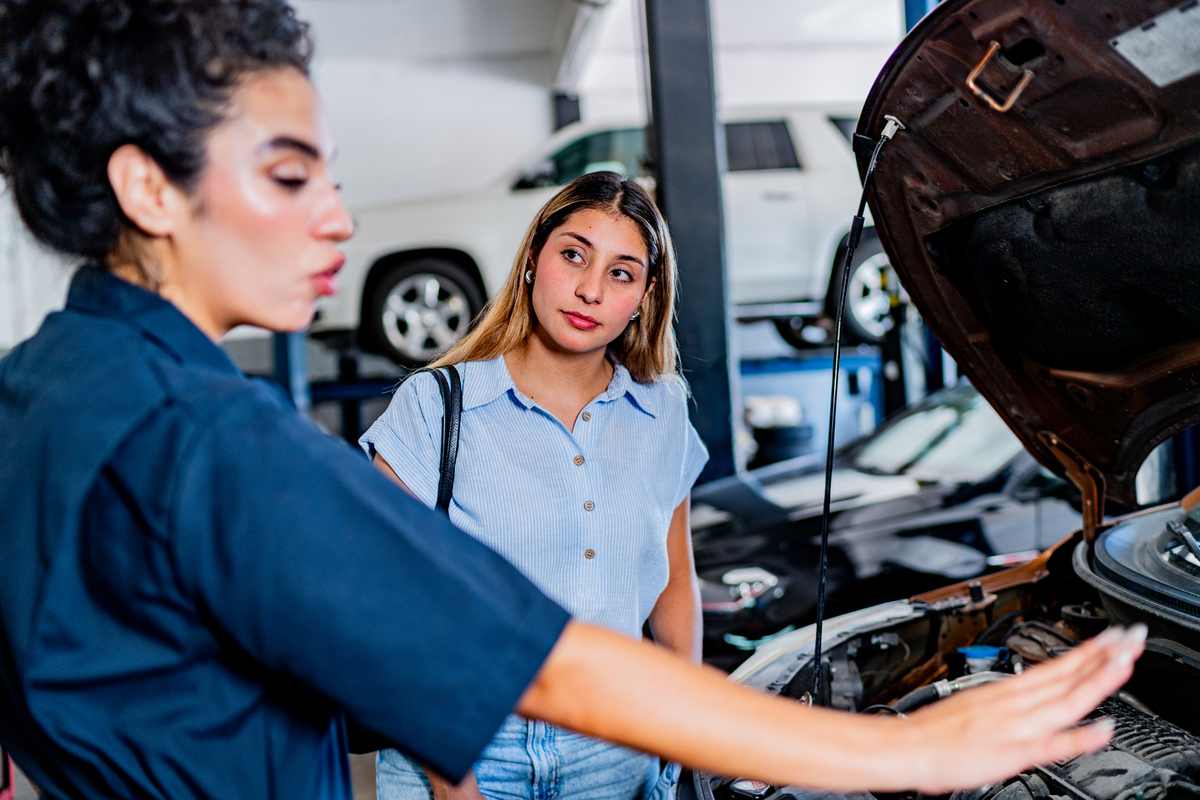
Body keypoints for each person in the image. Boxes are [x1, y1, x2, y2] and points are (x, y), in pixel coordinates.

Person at [0, 2, 1145, 800]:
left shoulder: (37, 392)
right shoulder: (213, 440)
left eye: (332, 176)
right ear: (148, 185)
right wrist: (906, 749)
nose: (341, 218)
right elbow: (536, 662)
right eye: (291, 174)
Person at [362, 171, 706, 800]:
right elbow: (394, 606)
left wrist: (682, 728)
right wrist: (450, 775)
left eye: (621, 273)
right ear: (531, 260)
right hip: (459, 746)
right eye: (573, 255)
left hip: (616, 748)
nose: (590, 290)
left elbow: (673, 579)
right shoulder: (436, 407)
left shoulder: (663, 412)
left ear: (645, 296)